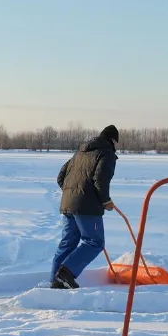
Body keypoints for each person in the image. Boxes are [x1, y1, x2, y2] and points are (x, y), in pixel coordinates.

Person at [51, 124, 120, 289]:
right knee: (94, 242)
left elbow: (61, 177)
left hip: (68, 204)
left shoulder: (80, 152)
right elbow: (100, 179)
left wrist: (71, 193)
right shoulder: (106, 153)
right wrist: (105, 200)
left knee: (68, 242)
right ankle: (66, 273)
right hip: (87, 207)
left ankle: (56, 281)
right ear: (113, 140)